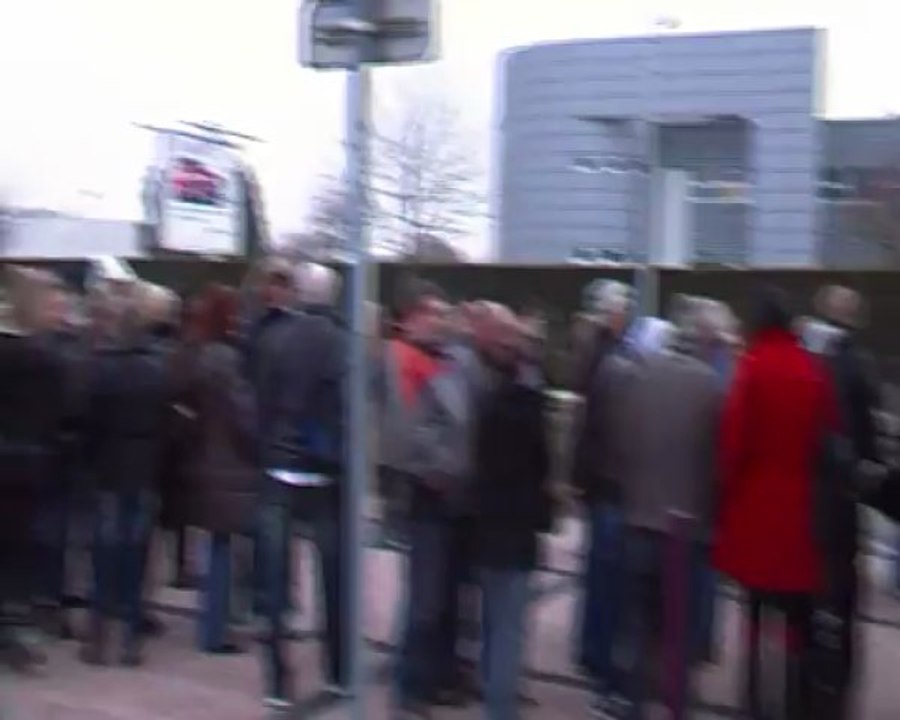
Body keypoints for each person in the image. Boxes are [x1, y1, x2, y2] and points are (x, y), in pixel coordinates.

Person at [713, 286, 836, 720]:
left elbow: (734, 442)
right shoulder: (811, 368)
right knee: (797, 616)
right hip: (801, 507)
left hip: (756, 504)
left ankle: (753, 701)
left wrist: (725, 495)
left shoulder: (752, 366)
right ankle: (795, 701)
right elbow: (827, 434)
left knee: (754, 608)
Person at [608, 298, 722, 720]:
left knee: (636, 620)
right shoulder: (710, 386)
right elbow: (716, 458)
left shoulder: (640, 376)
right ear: (704, 340)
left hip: (638, 516)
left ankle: (633, 701)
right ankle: (675, 704)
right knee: (678, 626)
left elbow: (622, 443)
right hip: (684, 525)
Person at [255, 262, 346, 710]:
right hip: (324, 472)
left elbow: (260, 402)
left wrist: (269, 448)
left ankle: (277, 679)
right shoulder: (343, 343)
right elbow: (348, 411)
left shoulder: (274, 339)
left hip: (278, 468)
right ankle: (339, 670)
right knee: (333, 577)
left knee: (273, 582)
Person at [80, 281, 172, 667]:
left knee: (104, 551)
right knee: (136, 552)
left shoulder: (102, 368)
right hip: (144, 465)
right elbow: (168, 422)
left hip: (108, 465)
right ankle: (131, 637)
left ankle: (98, 633)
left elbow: (89, 420)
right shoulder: (158, 369)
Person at [472, 306, 552, 720]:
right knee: (510, 625)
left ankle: (490, 691)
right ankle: (501, 708)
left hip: (489, 523)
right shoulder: (530, 410)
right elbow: (542, 467)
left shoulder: (486, 405)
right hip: (518, 527)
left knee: (492, 618)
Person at [806, 285, 882, 715]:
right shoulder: (860, 364)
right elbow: (871, 441)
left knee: (809, 596)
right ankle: (840, 689)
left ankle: (810, 683)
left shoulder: (810, 357)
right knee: (843, 598)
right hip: (844, 500)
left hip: (808, 497)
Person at [180, 284, 260, 654]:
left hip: (203, 458)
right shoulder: (226, 359)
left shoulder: (195, 353)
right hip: (229, 462)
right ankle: (215, 630)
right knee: (223, 549)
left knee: (215, 546)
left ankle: (211, 626)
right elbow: (242, 414)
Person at [570, 280, 638, 712]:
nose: (626, 315)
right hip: (605, 478)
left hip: (597, 476)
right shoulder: (603, 353)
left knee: (598, 566)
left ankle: (591, 647)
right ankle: (595, 651)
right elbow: (598, 420)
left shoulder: (595, 349)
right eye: (622, 309)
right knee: (603, 569)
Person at [0, 267, 65, 673]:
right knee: (18, 550)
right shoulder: (45, 356)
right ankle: (13, 627)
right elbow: (61, 411)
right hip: (27, 463)